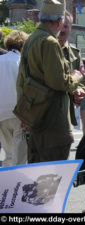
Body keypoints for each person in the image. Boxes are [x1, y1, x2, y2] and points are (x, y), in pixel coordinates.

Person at [16, 0, 85, 163]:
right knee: (53, 180)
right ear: (59, 21)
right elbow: (58, 82)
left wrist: (24, 115)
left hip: (37, 120)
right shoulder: (49, 42)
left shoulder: (30, 40)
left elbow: (21, 81)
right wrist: (75, 78)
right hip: (53, 124)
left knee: (36, 178)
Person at [0, 30, 29, 167]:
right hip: (18, 114)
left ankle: (6, 184)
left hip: (1, 115)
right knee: (21, 156)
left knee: (9, 154)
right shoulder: (20, 62)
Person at [58, 10, 85, 128]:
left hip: (66, 112)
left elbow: (82, 79)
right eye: (61, 26)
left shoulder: (75, 53)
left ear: (71, 28)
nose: (63, 30)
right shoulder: (45, 48)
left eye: (66, 26)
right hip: (47, 111)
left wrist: (78, 91)